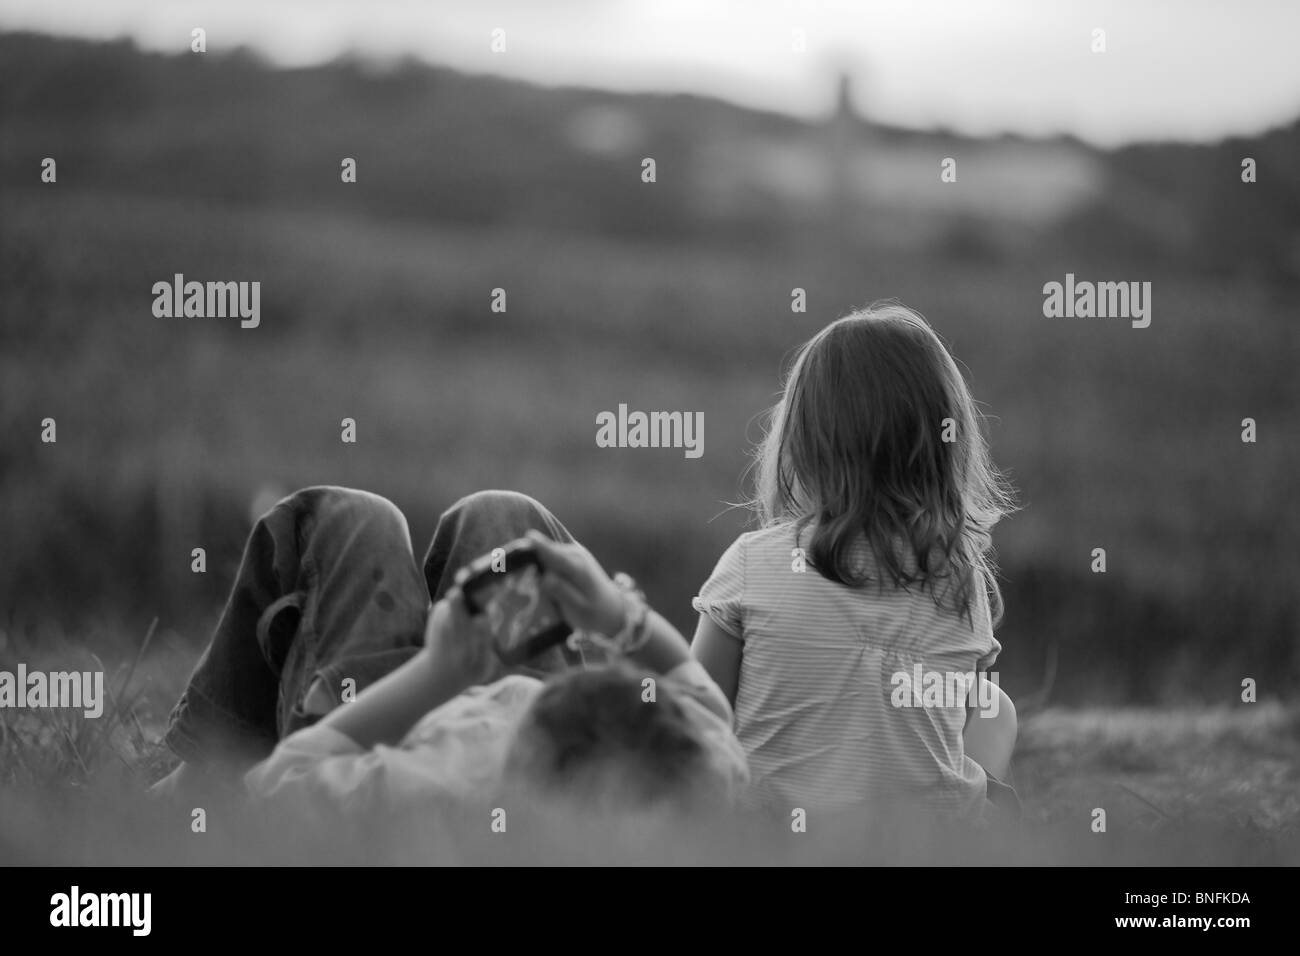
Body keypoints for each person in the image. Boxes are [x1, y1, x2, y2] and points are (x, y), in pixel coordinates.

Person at [153, 487, 746, 815]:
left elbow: (288, 776)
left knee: (345, 519)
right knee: (506, 516)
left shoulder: (434, 785)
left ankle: (204, 770)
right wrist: (619, 617)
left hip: (385, 711)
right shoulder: (692, 769)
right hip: (492, 690)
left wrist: (440, 674)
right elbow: (704, 702)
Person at [690, 303, 1020, 819]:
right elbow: (949, 718)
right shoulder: (960, 580)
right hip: (923, 848)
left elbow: (698, 716)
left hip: (771, 843)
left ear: (803, 441)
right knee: (995, 708)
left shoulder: (752, 564)